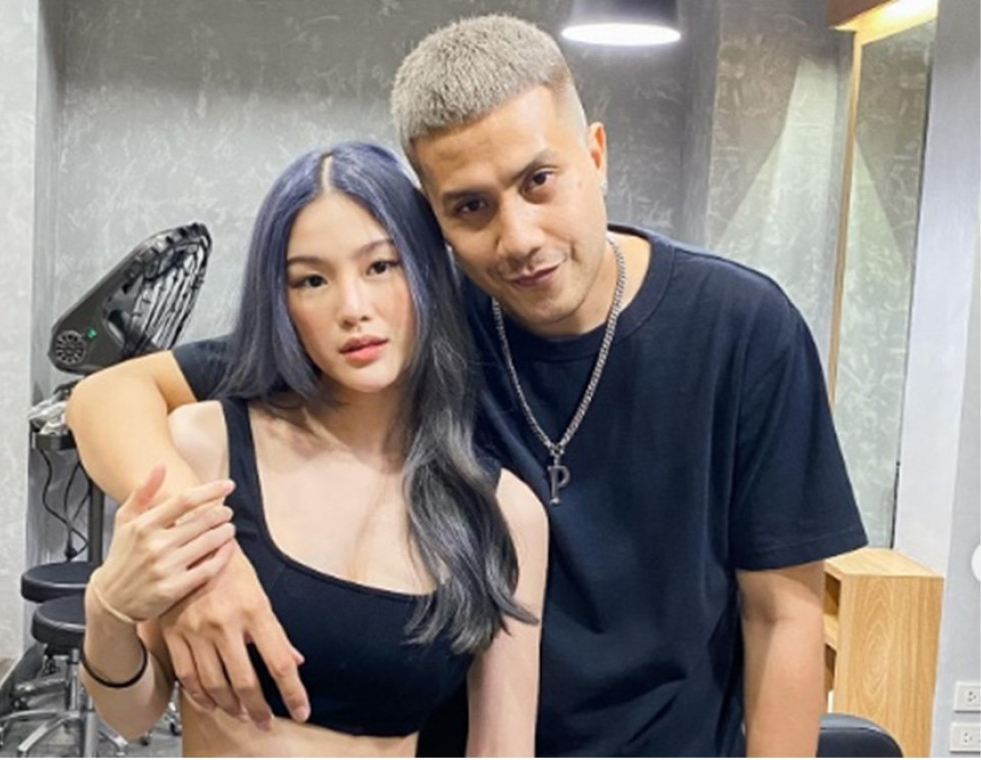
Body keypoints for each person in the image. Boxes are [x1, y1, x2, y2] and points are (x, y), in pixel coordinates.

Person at [67, 14, 868, 757]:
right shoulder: (416, 322)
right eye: (471, 207)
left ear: (595, 154)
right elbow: (109, 397)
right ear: (434, 223)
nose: (518, 238)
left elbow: (782, 618)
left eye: (539, 181)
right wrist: (201, 556)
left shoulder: (742, 328)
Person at [77, 141, 547, 757]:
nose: (353, 308)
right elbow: (133, 711)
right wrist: (108, 607)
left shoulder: (502, 513)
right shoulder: (206, 448)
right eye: (312, 280)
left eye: (381, 266)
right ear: (283, 300)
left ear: (427, 272)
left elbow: (502, 749)